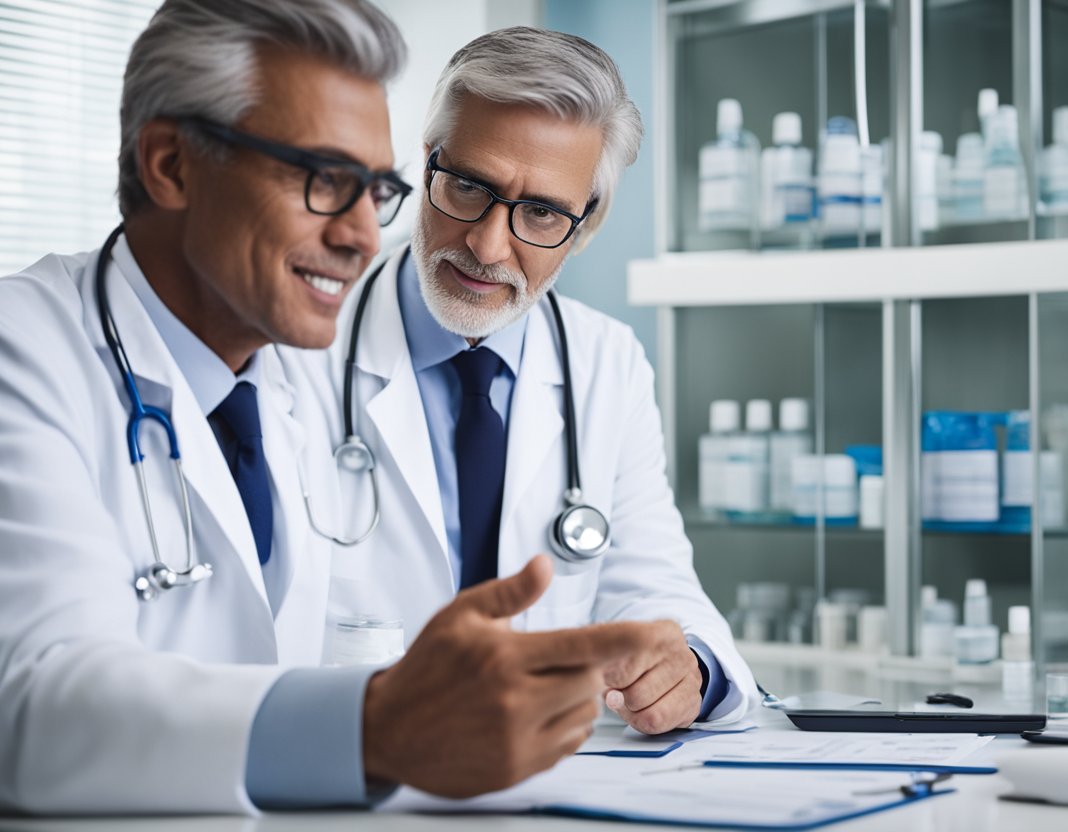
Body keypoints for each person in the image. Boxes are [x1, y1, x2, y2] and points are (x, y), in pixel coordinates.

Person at [0, 2, 659, 814]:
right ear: (172, 164)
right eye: (322, 180)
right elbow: (31, 706)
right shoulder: (23, 347)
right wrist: (379, 725)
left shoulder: (270, 370)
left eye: (373, 189)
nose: (360, 235)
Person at [310, 27, 756, 737]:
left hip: (549, 776)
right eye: (467, 187)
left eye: (541, 212)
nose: (486, 246)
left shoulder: (606, 362)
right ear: (426, 164)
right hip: (350, 764)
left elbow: (652, 585)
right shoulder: (303, 339)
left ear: (586, 224)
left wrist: (689, 668)